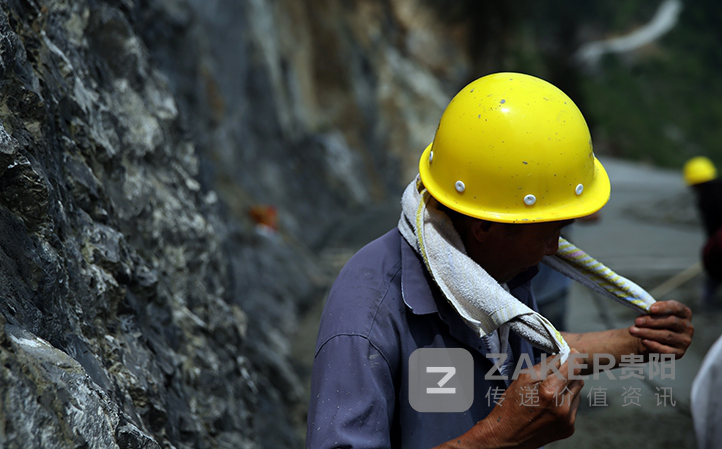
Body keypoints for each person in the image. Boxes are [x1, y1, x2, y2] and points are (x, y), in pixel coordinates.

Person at [306, 73, 694, 449]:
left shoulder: (489, 275)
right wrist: (498, 437)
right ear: (484, 227)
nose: (554, 248)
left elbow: (527, 350)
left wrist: (635, 343)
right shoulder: (367, 316)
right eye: (546, 231)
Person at [683, 156, 722, 303]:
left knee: (712, 281)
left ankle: (706, 300)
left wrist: (712, 249)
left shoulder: (705, 199)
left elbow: (712, 229)